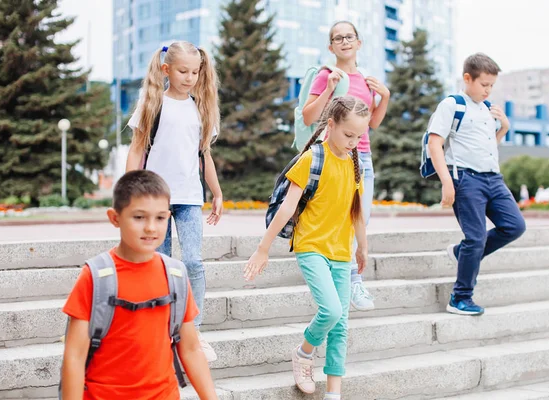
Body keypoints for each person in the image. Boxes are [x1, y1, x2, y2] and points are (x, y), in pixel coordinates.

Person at [245, 96, 371, 400]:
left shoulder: (355, 166)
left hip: (342, 252)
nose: (353, 142)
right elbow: (287, 208)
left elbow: (356, 213)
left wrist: (362, 249)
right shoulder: (313, 158)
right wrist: (263, 249)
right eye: (347, 134)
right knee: (331, 310)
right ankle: (304, 352)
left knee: (341, 326)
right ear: (331, 125)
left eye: (358, 136)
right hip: (311, 246)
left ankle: (333, 394)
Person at [61, 170, 218, 400]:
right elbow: (74, 357)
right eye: (139, 217)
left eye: (160, 218)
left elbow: (191, 349)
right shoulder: (95, 276)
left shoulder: (175, 275)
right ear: (115, 218)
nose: (151, 228)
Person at [125, 41, 223, 360]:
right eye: (183, 71)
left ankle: (194, 330)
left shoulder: (200, 107)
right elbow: (137, 149)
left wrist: (217, 193)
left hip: (190, 197)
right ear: (166, 69)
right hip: (155, 200)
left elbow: (203, 154)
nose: (190, 77)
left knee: (192, 261)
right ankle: (164, 332)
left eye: (195, 72)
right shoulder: (152, 104)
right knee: (161, 265)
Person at [427, 53, 526, 316]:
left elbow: (484, 148)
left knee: (515, 226)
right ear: (467, 78)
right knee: (477, 237)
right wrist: (447, 182)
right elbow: (434, 143)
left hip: (493, 178)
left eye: (492, 85)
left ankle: (463, 254)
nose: (488, 90)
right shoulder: (452, 104)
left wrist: (503, 128)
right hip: (466, 179)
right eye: (484, 84)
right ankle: (460, 298)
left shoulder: (486, 109)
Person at [302, 20, 390, 311]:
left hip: (362, 156)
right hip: (334, 156)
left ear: (358, 42)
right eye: (337, 38)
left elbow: (372, 124)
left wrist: (384, 97)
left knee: (361, 217)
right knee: (342, 217)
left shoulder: (366, 79)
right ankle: (352, 280)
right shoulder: (328, 75)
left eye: (349, 36)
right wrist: (328, 89)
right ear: (331, 46)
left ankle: (347, 276)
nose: (344, 41)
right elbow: (308, 117)